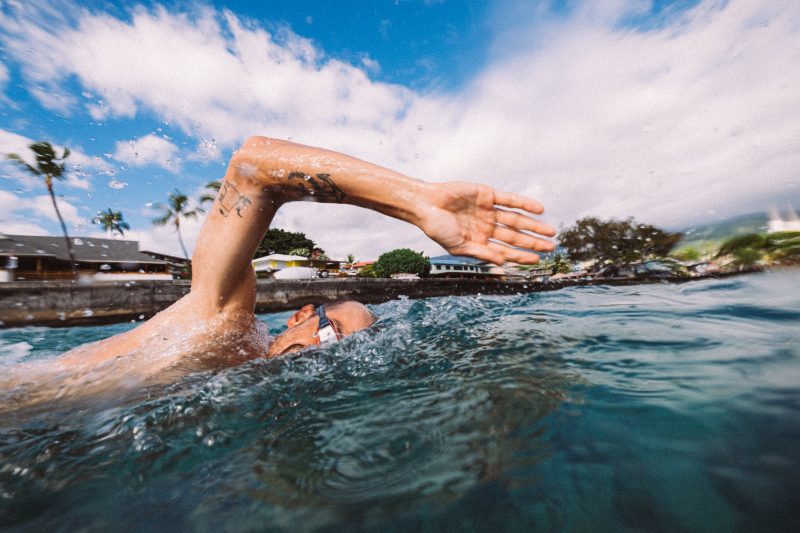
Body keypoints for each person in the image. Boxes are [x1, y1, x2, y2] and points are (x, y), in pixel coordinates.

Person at [2, 136, 555, 404]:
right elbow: (253, 169)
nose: (323, 356)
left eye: (341, 351)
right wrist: (415, 201)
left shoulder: (249, 383)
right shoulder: (222, 320)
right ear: (299, 313)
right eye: (330, 333)